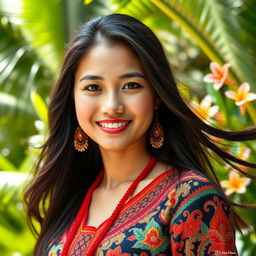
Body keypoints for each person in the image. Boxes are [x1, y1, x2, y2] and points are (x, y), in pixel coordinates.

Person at [23, 14, 256, 256]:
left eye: (131, 85)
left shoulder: (190, 198)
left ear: (156, 96)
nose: (112, 105)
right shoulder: (72, 199)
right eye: (93, 88)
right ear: (72, 98)